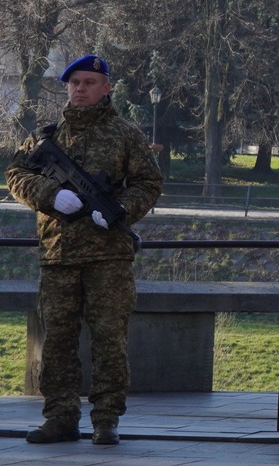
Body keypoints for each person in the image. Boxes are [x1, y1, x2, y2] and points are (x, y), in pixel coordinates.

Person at [6, 55, 164, 446]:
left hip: (108, 256)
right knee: (57, 340)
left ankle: (106, 419)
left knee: (109, 340)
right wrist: (49, 194)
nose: (80, 89)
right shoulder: (48, 136)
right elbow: (15, 174)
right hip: (58, 254)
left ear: (106, 88)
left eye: (89, 82)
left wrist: (121, 210)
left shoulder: (125, 134)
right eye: (75, 82)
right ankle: (60, 417)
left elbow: (148, 182)